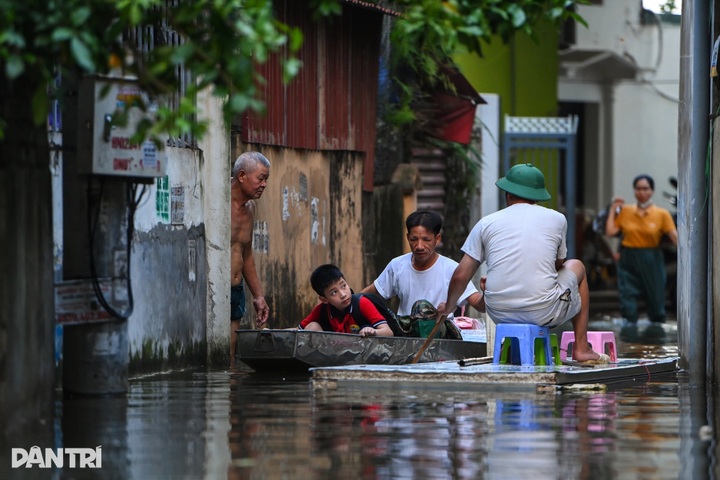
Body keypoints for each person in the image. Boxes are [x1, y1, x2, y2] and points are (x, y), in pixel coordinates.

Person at [440, 163, 608, 364]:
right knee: (577, 265)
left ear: (508, 194)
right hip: (542, 312)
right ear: (537, 196)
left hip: (498, 313)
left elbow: (460, 275)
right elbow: (558, 264)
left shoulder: (486, 222)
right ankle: (581, 347)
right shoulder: (557, 219)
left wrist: (448, 308)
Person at [361, 209, 485, 317]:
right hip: (405, 338)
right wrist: (348, 301)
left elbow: (480, 306)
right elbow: (369, 293)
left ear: (437, 239)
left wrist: (486, 292)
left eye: (426, 240)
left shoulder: (452, 269)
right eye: (414, 239)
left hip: (441, 338)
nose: (419, 246)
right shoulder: (397, 265)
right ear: (408, 237)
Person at [605, 174, 678, 326]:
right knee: (628, 303)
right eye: (638, 189)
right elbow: (611, 232)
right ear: (634, 191)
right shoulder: (625, 211)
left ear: (652, 191)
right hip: (628, 258)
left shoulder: (661, 214)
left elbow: (675, 238)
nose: (641, 192)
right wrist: (613, 209)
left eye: (645, 189)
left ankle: (656, 340)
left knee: (656, 304)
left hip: (652, 259)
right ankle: (629, 337)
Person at [231, 151, 271, 363]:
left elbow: (246, 254)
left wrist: (258, 295)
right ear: (242, 176)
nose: (264, 184)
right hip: (211, 292)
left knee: (230, 355)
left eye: (266, 179)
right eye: (261, 178)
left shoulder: (251, 208)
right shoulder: (218, 202)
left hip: (236, 290)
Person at [298, 264, 393, 337]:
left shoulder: (362, 303)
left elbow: (388, 332)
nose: (343, 295)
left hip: (364, 353)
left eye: (343, 286)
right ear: (324, 299)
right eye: (334, 292)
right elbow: (298, 330)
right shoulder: (322, 310)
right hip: (335, 353)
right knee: (312, 327)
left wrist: (373, 332)